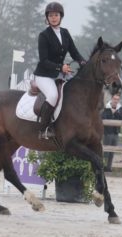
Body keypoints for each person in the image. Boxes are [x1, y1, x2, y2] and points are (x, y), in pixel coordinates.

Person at [33, 1, 86, 139]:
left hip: (59, 73)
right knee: (53, 96)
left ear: (60, 16)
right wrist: (60, 67)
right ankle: (43, 129)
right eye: (51, 15)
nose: (53, 17)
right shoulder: (44, 36)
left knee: (75, 91)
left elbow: (74, 52)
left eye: (56, 15)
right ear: (47, 17)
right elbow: (43, 61)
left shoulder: (65, 33)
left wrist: (83, 62)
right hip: (44, 75)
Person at [102, 94, 122, 172]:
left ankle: (109, 167)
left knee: (112, 151)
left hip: (116, 133)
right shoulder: (106, 107)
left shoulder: (120, 108)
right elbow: (103, 117)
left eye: (117, 99)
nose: (116, 101)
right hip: (107, 133)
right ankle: (104, 167)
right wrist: (112, 112)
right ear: (112, 99)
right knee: (106, 152)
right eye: (114, 99)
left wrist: (115, 113)